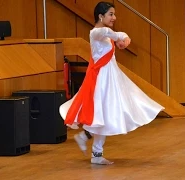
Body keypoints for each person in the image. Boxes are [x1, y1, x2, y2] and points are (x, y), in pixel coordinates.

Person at [59, 1, 164, 165]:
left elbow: (118, 35)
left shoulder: (106, 34)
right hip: (101, 80)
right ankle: (92, 147)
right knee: (104, 113)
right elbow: (111, 33)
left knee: (107, 114)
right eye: (111, 14)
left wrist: (125, 39)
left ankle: (92, 148)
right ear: (101, 16)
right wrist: (120, 37)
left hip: (111, 78)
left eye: (114, 14)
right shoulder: (96, 33)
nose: (114, 17)